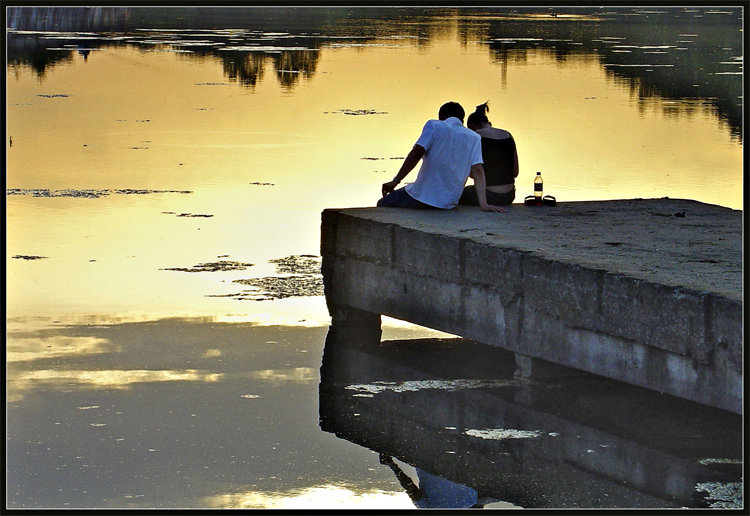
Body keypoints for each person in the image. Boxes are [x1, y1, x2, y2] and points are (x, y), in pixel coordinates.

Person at [378, 101, 505, 213]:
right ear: (462, 120)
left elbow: (416, 153)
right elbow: (478, 170)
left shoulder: (434, 125)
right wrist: (484, 204)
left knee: (382, 204)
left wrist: (395, 181)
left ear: (441, 117)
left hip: (422, 197)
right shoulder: (474, 137)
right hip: (448, 203)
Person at [458, 102, 518, 206]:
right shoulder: (508, 135)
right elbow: (515, 172)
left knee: (457, 194)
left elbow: (473, 174)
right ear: (489, 123)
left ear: (471, 126)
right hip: (509, 196)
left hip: (488, 196)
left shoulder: (475, 137)